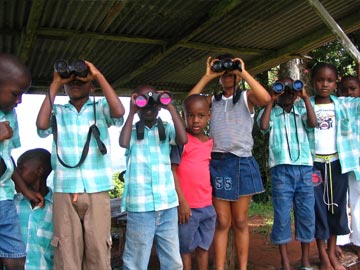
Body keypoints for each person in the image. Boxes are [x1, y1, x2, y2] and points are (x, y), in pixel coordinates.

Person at [36, 60, 125, 269]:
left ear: (91, 86)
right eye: (70, 81)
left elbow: (119, 112)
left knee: (98, 249)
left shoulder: (101, 107)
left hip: (96, 188)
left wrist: (98, 75)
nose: (75, 83)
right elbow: (41, 125)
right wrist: (55, 83)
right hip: (64, 188)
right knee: (66, 250)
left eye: (81, 80)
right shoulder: (58, 110)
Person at [188, 54, 271, 270]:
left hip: (242, 161)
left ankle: (242, 268)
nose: (227, 77)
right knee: (223, 221)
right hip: (218, 163)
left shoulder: (246, 96)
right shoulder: (212, 101)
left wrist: (242, 72)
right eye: (223, 74)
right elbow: (190, 103)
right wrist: (207, 76)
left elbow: (265, 99)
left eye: (230, 74)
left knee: (241, 221)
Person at [119, 85, 187, 270]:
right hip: (141, 206)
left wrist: (170, 106)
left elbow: (183, 139)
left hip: (167, 205)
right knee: (135, 261)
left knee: (172, 259)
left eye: (153, 103)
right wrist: (132, 112)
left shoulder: (166, 128)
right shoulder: (131, 132)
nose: (148, 107)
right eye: (143, 102)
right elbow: (122, 142)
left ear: (158, 106)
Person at [257, 77, 317, 270]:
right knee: (282, 215)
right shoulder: (272, 112)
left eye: (292, 90)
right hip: (281, 169)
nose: (288, 94)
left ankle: (305, 260)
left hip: (305, 168)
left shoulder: (301, 111)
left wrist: (305, 97)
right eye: (284, 90)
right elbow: (263, 127)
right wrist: (271, 100)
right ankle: (285, 262)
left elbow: (313, 123)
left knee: (306, 214)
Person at [309, 63, 360, 270]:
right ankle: (322, 254)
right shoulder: (306, 104)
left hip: (337, 164)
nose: (324, 84)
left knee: (336, 208)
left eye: (329, 80)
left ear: (335, 82)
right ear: (312, 82)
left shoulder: (343, 104)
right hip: (314, 165)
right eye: (320, 80)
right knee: (318, 209)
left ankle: (331, 251)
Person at [0, 53, 44, 270]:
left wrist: (26, 191)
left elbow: (8, 159)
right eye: (15, 94)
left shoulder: (11, 116)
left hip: (5, 198)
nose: (19, 101)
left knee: (16, 257)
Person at [171, 94, 216, 270]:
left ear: (208, 116)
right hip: (187, 209)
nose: (195, 120)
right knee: (185, 250)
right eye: (190, 115)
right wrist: (182, 202)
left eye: (201, 115)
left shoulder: (210, 142)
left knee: (204, 247)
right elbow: (172, 170)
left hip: (207, 206)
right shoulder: (181, 141)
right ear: (183, 116)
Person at [14, 148, 53, 270]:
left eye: (20, 168)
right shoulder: (12, 204)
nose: (15, 174)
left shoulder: (57, 208)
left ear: (39, 171)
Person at [337, 75, 360, 259]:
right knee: (339, 201)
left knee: (358, 204)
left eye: (353, 88)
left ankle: (358, 241)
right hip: (340, 159)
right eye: (344, 89)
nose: (348, 93)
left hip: (357, 161)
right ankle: (341, 241)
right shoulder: (337, 104)